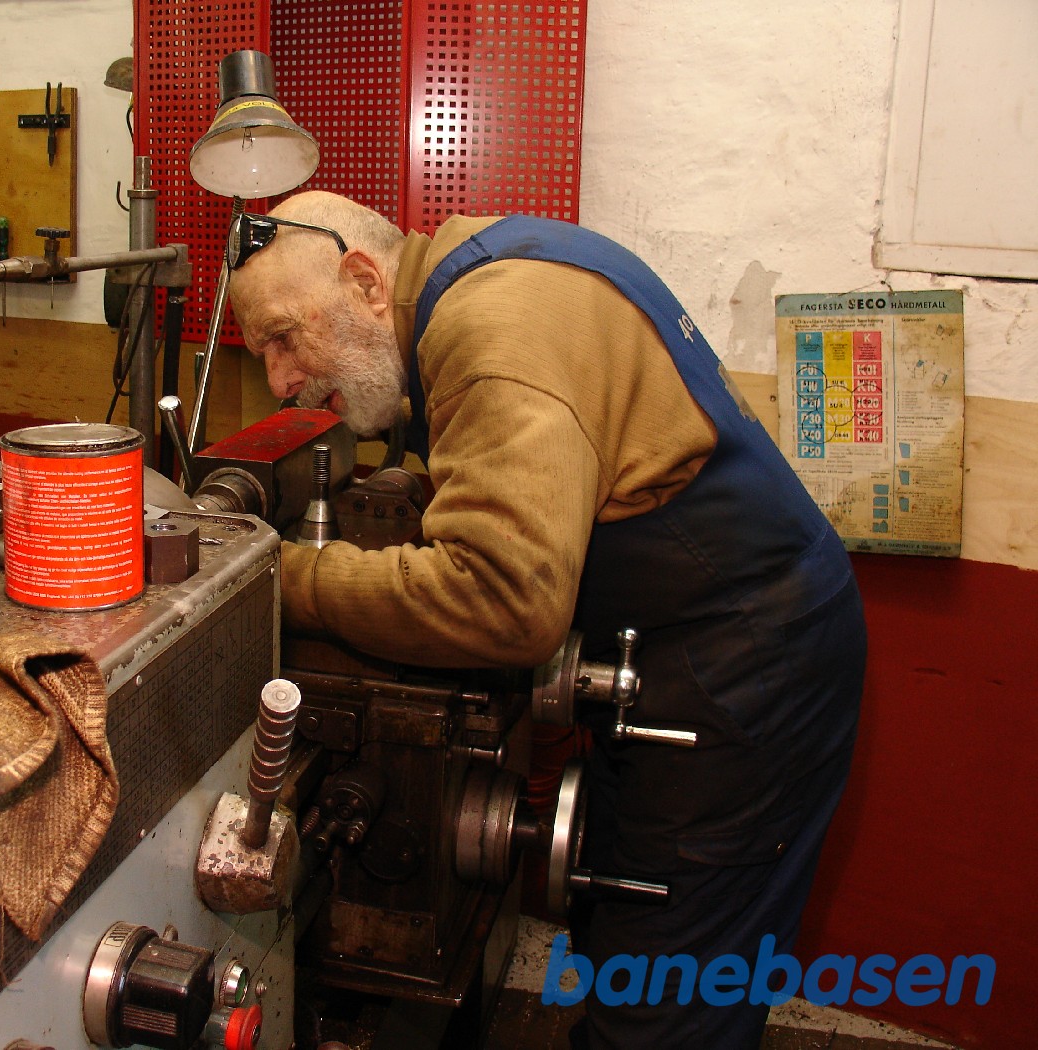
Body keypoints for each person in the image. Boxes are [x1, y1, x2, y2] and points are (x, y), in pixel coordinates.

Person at [225, 191, 866, 1049]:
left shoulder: (489, 329)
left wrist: (282, 576)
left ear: (366, 282)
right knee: (626, 931)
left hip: (749, 667)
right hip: (691, 645)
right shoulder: (490, 267)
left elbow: (503, 599)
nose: (279, 380)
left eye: (282, 337)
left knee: (669, 1005)